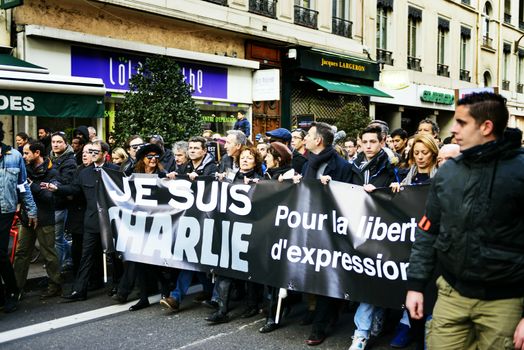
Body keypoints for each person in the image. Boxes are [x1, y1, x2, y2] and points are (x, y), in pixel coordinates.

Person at [405, 92, 524, 349]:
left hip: (504, 303)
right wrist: (415, 285)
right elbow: (427, 231)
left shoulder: (520, 171)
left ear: (486, 126)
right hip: (451, 295)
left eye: (461, 123)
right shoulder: (448, 172)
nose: (454, 130)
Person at [293, 122, 351, 346]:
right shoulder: (309, 163)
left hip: (331, 231)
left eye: (308, 135)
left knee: (327, 275)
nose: (304, 138)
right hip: (309, 226)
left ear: (318, 141)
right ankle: (326, 311)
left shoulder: (341, 166)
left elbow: (349, 199)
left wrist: (332, 187)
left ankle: (320, 326)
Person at [45, 140, 119, 301]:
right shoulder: (84, 172)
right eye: (90, 151)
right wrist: (57, 189)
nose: (91, 154)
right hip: (91, 221)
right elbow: (75, 189)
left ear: (105, 154)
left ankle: (118, 286)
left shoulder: (115, 170)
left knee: (114, 255)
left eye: (95, 152)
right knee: (86, 256)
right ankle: (79, 290)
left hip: (111, 221)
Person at [348, 125, 399, 350]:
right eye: (365, 142)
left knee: (374, 279)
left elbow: (398, 192)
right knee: (367, 280)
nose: (368, 146)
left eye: (373, 142)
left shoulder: (390, 167)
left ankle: (362, 332)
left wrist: (394, 188)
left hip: (381, 230)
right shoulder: (353, 166)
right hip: (356, 228)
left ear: (382, 143)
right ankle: (369, 323)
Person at [206, 146, 263, 324]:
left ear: (256, 161)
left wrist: (256, 186)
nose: (245, 160)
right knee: (225, 269)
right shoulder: (229, 176)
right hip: (229, 229)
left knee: (250, 271)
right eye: (242, 157)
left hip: (249, 231)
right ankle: (222, 310)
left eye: (249, 158)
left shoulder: (260, 180)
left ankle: (252, 304)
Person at [14, 141, 62, 299]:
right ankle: (16, 288)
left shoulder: (52, 171)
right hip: (27, 217)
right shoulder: (24, 169)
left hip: (45, 218)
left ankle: (55, 285)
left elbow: (49, 196)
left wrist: (32, 185)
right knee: (21, 254)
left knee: (48, 253)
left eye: (27, 153)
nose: (24, 156)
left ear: (37, 153)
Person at [0, 121, 37, 313]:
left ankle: (12, 292)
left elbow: (23, 185)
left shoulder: (14, 156)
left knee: (0, 253)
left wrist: (31, 210)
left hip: (5, 210)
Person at [49, 131, 77, 272]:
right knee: (58, 238)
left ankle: (57, 270)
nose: (55, 144)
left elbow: (66, 182)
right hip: (51, 204)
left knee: (56, 239)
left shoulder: (70, 161)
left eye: (59, 142)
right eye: (53, 142)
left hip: (60, 204)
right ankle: (68, 259)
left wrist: (52, 183)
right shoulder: (51, 157)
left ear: (65, 143)